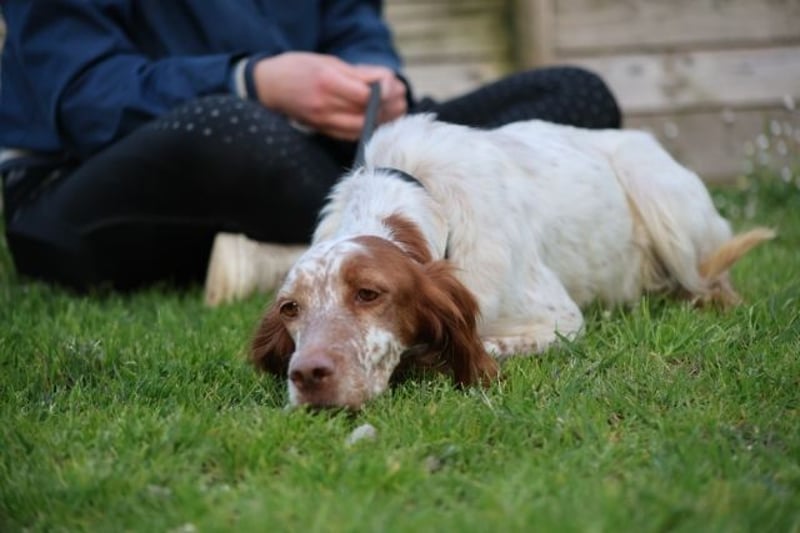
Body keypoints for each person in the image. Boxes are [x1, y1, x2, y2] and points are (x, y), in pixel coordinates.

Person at [0, 1, 621, 297]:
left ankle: (296, 260)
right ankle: (392, 250)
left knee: (573, 95)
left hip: (314, 157)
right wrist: (254, 81)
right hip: (101, 178)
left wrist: (374, 79)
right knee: (231, 129)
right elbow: (85, 99)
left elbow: (355, 24)